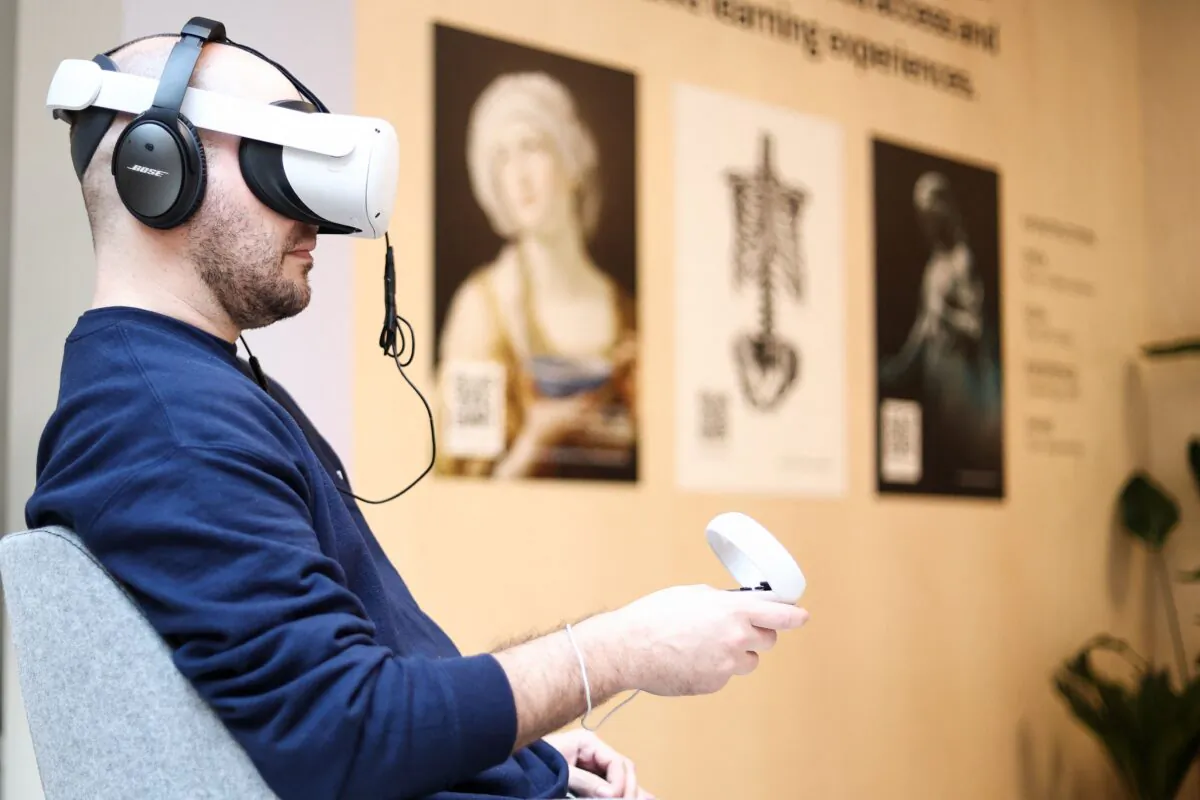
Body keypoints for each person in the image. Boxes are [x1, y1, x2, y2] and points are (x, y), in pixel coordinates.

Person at [25, 30, 810, 800]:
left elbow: (349, 688)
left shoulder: (183, 388)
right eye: (278, 158)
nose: (318, 212)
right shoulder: (165, 421)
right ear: (157, 167)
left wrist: (515, 752)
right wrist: (620, 650)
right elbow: (348, 735)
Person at [435, 72, 637, 481]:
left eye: (532, 147)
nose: (519, 175)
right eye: (502, 157)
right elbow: (463, 486)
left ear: (572, 162)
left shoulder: (629, 315)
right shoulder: (483, 308)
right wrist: (534, 443)